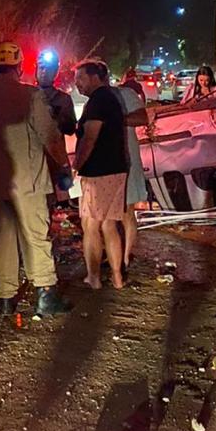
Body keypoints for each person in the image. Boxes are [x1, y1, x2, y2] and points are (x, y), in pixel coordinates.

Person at [0, 40, 71, 318]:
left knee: (1, 240)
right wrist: (64, 168)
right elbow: (51, 137)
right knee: (35, 238)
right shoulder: (31, 97)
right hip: (28, 183)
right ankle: (45, 294)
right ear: (20, 68)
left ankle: (5, 298)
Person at [73, 60, 129, 290]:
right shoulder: (111, 99)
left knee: (91, 225)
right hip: (116, 168)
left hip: (98, 173)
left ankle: (93, 277)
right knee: (110, 225)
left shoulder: (98, 101)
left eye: (80, 78)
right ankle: (117, 277)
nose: (77, 84)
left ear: (95, 77)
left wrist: (77, 164)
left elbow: (90, 138)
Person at [113, 82, 150, 266]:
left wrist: (115, 119)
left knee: (127, 211)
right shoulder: (94, 100)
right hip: (105, 166)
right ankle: (113, 254)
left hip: (127, 160)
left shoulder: (125, 94)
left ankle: (125, 257)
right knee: (109, 215)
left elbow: (143, 117)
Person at [36, 50, 76, 136]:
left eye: (49, 69)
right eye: (41, 67)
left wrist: (56, 117)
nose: (44, 72)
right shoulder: (26, 95)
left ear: (55, 72)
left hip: (53, 147)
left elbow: (71, 130)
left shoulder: (64, 100)